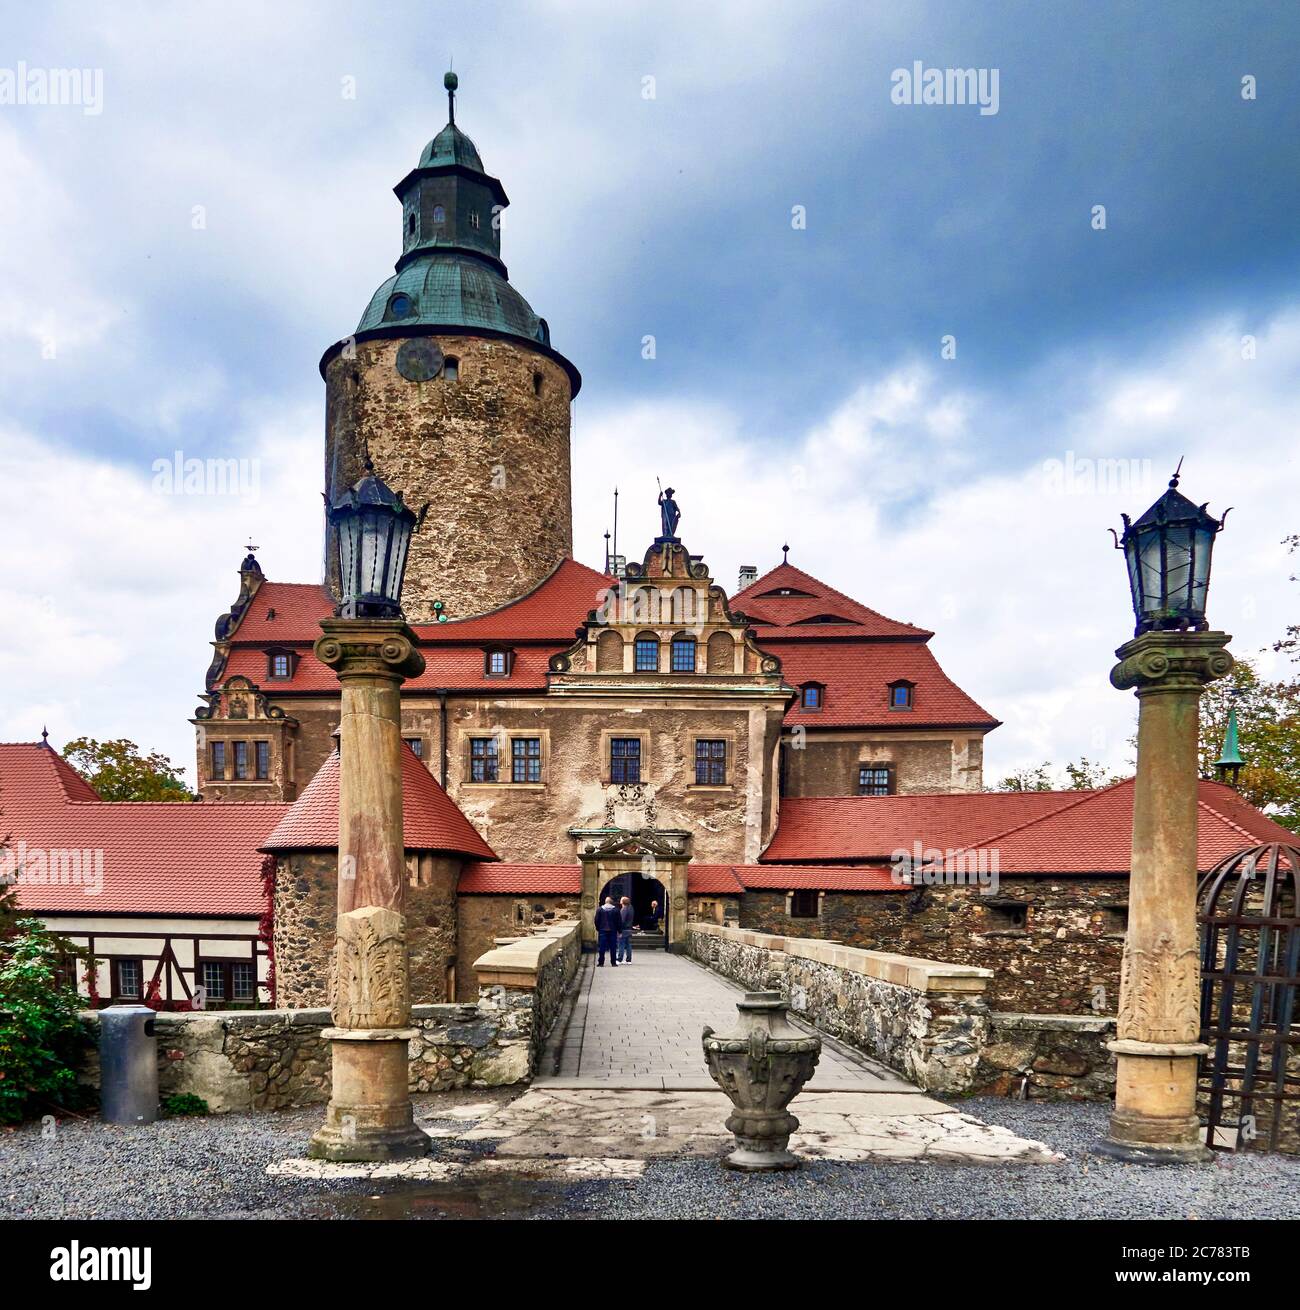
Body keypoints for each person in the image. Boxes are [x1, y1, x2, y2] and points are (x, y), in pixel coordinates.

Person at [594, 896, 621, 967]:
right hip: (613, 931)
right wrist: (619, 931)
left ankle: (601, 962)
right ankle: (613, 962)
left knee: (602, 947)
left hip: (603, 930)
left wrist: (598, 928)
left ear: (605, 902)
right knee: (613, 947)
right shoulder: (616, 910)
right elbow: (619, 922)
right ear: (612, 902)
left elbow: (596, 920)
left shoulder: (600, 910)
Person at [616, 895, 635, 963]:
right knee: (628, 945)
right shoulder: (631, 908)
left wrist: (619, 930)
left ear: (623, 902)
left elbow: (622, 921)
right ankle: (628, 960)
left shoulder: (624, 909)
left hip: (624, 930)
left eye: (621, 900)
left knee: (621, 944)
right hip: (629, 929)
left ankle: (619, 959)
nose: (620, 901)